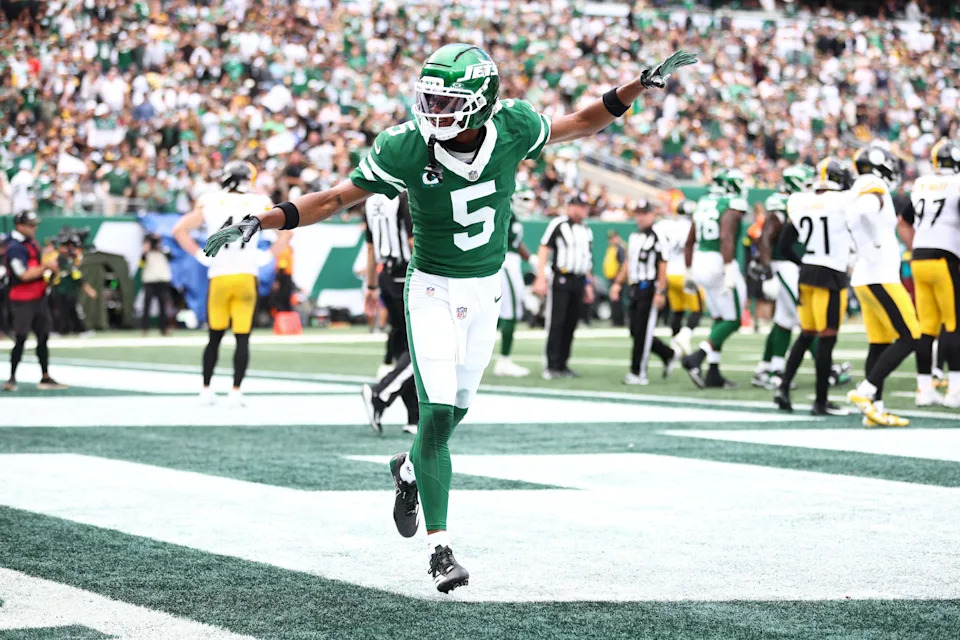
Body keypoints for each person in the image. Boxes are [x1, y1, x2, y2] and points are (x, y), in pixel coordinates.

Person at [202, 43, 696, 593]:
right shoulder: (406, 145)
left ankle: (408, 470)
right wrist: (265, 220)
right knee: (435, 418)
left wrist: (635, 87)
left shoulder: (513, 125)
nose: (433, 111)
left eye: (447, 100)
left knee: (455, 414)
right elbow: (338, 198)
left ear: (482, 102)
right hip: (432, 287)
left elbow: (583, 121)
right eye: (430, 97)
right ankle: (440, 550)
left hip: (486, 291)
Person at [173, 160, 291, 407]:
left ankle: (206, 389)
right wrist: (267, 256)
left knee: (214, 336)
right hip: (247, 276)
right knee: (242, 338)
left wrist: (200, 255)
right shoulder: (259, 202)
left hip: (219, 276)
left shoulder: (211, 200)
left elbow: (179, 230)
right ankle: (236, 391)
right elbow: (287, 232)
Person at [845, 144, 922, 427]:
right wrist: (871, 245)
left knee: (879, 343)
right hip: (880, 276)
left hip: (867, 277)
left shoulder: (860, 185)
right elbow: (863, 213)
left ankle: (874, 409)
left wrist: (865, 246)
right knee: (911, 336)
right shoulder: (872, 183)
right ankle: (866, 392)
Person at [774, 158, 854, 416]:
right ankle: (821, 401)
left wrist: (804, 262)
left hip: (806, 273)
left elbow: (784, 245)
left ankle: (783, 388)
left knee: (806, 334)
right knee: (827, 339)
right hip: (830, 274)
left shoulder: (801, 201)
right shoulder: (844, 201)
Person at [903, 139, 960, 408]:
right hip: (944, 259)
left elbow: (903, 220)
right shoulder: (957, 183)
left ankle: (924, 389)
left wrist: (914, 244)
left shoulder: (922, 183)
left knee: (926, 327)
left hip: (919, 258)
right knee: (953, 323)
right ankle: (955, 389)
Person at [680, 170, 748, 389]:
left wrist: (689, 271)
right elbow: (726, 236)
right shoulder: (730, 204)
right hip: (719, 262)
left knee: (719, 318)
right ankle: (697, 357)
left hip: (700, 260)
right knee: (734, 319)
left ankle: (713, 372)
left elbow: (689, 241)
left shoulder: (703, 203)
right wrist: (728, 267)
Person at [749, 165, 814, 389]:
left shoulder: (795, 203)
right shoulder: (781, 204)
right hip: (783, 266)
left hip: (787, 266)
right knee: (806, 316)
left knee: (784, 322)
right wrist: (768, 273)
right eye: (805, 183)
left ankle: (769, 368)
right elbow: (765, 238)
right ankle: (825, 366)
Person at [359, 191, 419, 435]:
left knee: (405, 345)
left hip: (387, 277)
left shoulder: (371, 200)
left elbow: (372, 248)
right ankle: (380, 394)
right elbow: (415, 241)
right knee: (423, 347)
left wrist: (372, 286)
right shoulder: (405, 197)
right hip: (410, 275)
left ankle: (414, 417)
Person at [609, 202, 678, 385]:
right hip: (634, 287)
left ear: (652, 214)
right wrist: (618, 283)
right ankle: (668, 354)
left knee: (643, 332)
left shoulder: (659, 235)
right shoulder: (634, 236)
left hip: (650, 287)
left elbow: (663, 264)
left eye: (644, 213)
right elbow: (628, 263)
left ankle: (638, 372)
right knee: (635, 331)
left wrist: (661, 291)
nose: (640, 217)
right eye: (638, 213)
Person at [533, 191, 595, 379]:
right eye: (580, 206)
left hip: (578, 280)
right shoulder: (558, 224)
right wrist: (541, 277)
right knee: (556, 321)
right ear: (571, 207)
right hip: (561, 277)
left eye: (585, 206)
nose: (583, 210)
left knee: (571, 323)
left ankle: (562, 364)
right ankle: (551, 365)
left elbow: (587, 260)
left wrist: (588, 284)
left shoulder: (587, 230)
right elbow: (544, 248)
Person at [3, 211, 66, 391]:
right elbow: (23, 274)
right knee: (21, 338)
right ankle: (12, 378)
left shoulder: (30, 242)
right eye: (30, 225)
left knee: (43, 336)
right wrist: (46, 265)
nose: (34, 228)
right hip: (22, 299)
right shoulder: (15, 247)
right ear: (19, 225)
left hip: (37, 296)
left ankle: (45, 376)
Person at [654, 199, 702, 356]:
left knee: (678, 310)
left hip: (670, 274)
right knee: (697, 309)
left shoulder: (669, 226)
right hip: (685, 273)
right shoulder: (692, 227)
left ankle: (675, 342)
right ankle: (685, 336)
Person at [493, 190, 534, 377]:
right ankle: (504, 361)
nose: (527, 203)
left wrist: (532, 259)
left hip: (510, 262)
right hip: (505, 263)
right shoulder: (504, 210)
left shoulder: (512, 216)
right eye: (524, 198)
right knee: (509, 312)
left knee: (504, 313)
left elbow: (517, 243)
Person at [140, 232, 173, 335]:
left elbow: (171, 257)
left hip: (162, 281)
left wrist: (160, 247)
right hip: (149, 281)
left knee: (163, 306)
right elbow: (141, 265)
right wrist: (145, 252)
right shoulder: (145, 254)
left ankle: (164, 328)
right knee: (147, 306)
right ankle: (145, 328)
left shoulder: (164, 251)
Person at [603, 228, 626, 327]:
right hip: (611, 278)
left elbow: (623, 264)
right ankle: (615, 320)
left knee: (617, 300)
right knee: (614, 300)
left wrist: (618, 279)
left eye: (613, 237)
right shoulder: (611, 248)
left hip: (617, 279)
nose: (612, 240)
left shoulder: (620, 248)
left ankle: (618, 321)